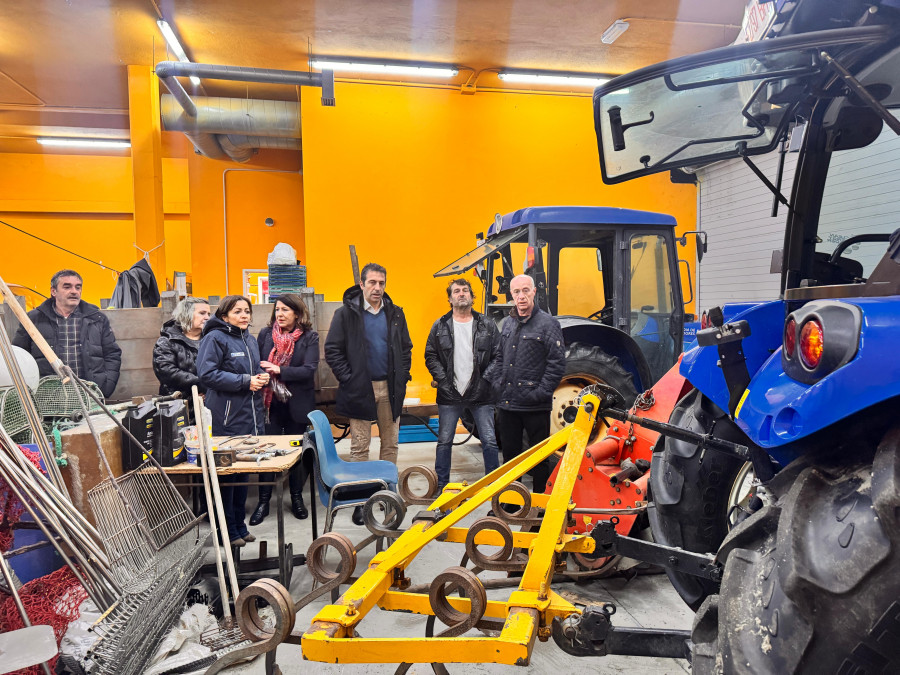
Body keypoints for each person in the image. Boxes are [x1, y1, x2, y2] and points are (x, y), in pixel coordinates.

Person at [324, 263, 413, 525]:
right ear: (361, 284)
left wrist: (402, 374)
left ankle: (386, 495)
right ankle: (360, 500)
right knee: (360, 446)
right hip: (360, 387)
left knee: (390, 443)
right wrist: (349, 379)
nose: (377, 288)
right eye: (372, 283)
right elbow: (332, 350)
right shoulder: (346, 314)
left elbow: (406, 348)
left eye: (381, 283)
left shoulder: (395, 313)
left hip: (390, 388)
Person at [197, 295, 268, 547]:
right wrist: (245, 382)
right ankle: (226, 530)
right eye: (237, 311)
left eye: (247, 311)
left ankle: (240, 525)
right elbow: (207, 374)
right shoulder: (214, 338)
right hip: (225, 419)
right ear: (224, 315)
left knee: (242, 475)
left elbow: (249, 371)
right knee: (227, 477)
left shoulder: (249, 339)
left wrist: (259, 377)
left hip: (250, 417)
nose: (244, 315)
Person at [490, 274, 565, 493]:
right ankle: (512, 503)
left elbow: (557, 363)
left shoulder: (548, 324)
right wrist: (497, 384)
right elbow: (500, 357)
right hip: (508, 403)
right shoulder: (508, 323)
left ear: (534, 292)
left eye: (525, 290)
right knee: (510, 458)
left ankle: (540, 504)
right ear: (511, 295)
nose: (521, 296)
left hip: (535, 405)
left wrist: (540, 393)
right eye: (516, 292)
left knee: (539, 458)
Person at [424, 278, 501, 493]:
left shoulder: (487, 324)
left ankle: (493, 487)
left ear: (471, 296)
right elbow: (430, 355)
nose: (461, 294)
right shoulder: (439, 326)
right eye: (456, 291)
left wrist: (484, 380)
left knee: (490, 441)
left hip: (482, 394)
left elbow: (498, 355)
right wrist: (445, 382)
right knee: (444, 442)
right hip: (449, 394)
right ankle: (441, 486)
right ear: (449, 298)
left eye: (465, 290)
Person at [250, 294, 319, 525]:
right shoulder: (264, 335)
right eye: (278, 309)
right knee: (266, 452)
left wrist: (279, 370)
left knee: (296, 454)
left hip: (297, 404)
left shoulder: (309, 337)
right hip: (270, 404)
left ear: (297, 314)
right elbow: (256, 363)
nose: (280, 314)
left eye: (286, 310)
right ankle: (263, 501)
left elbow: (309, 370)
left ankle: (297, 498)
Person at [13, 269, 122, 398]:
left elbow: (112, 354)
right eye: (67, 287)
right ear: (53, 291)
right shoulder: (33, 320)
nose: (74, 291)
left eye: (78, 287)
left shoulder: (97, 318)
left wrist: (106, 386)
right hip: (48, 396)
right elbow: (19, 356)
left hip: (90, 393)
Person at [152, 297, 211, 402]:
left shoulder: (212, 339)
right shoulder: (167, 341)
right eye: (202, 313)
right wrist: (202, 385)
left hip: (209, 402)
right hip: (178, 404)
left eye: (208, 314)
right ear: (186, 314)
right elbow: (166, 371)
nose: (207, 318)